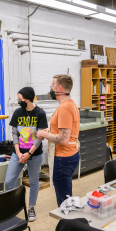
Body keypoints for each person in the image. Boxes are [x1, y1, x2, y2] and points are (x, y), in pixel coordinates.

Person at [36, 74, 80, 207]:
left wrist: (43, 134)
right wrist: (50, 133)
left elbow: (63, 139)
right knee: (66, 195)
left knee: (64, 202)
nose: (51, 88)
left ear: (59, 88)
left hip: (63, 158)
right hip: (70, 155)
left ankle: (68, 226)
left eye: (52, 85)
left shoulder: (65, 108)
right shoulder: (69, 103)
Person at [6, 87, 47, 221]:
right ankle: (11, 207)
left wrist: (28, 154)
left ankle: (31, 208)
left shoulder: (40, 113)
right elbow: (14, 134)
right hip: (18, 153)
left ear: (27, 99)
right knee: (8, 182)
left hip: (34, 154)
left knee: (34, 181)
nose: (19, 101)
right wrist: (18, 153)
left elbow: (39, 137)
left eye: (20, 98)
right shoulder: (18, 112)